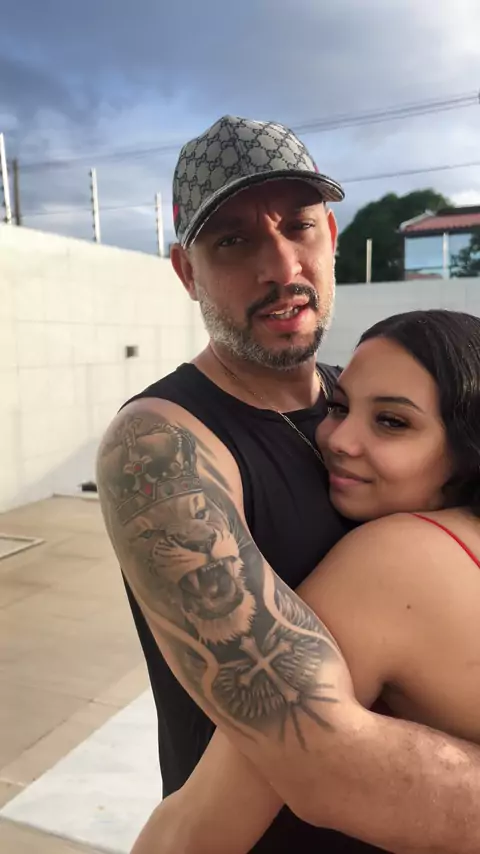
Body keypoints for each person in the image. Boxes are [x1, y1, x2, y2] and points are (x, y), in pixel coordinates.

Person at [96, 114, 480, 853]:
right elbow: (324, 758)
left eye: (298, 226)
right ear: (187, 273)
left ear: (330, 237)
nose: (280, 266)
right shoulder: (163, 444)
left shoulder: (358, 398)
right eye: (233, 240)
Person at [142, 308, 480, 854]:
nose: (340, 439)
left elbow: (197, 828)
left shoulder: (392, 561)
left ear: (469, 449)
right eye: (339, 407)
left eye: (392, 422)